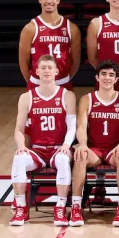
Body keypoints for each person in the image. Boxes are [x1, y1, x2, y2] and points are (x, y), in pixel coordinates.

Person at [9, 55, 77, 226]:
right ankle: (21, 208)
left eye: (50, 68)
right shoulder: (26, 97)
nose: (47, 71)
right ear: (37, 71)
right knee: (18, 159)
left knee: (62, 159)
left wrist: (67, 145)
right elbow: (18, 129)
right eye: (43, 68)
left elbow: (72, 127)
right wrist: (21, 146)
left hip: (58, 148)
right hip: (38, 149)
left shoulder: (67, 95)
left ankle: (60, 208)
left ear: (56, 71)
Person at [68, 60, 119, 227]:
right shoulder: (87, 99)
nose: (107, 78)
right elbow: (81, 126)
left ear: (116, 79)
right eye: (103, 74)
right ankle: (76, 206)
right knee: (80, 156)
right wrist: (82, 144)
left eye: (111, 75)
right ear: (97, 77)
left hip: (113, 149)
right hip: (95, 149)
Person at [18, 0, 81, 90]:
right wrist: (32, 82)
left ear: (58, 0)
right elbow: (23, 61)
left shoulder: (71, 28)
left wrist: (65, 78)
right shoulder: (30, 28)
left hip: (63, 83)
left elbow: (75, 61)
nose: (49, 1)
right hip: (37, 83)